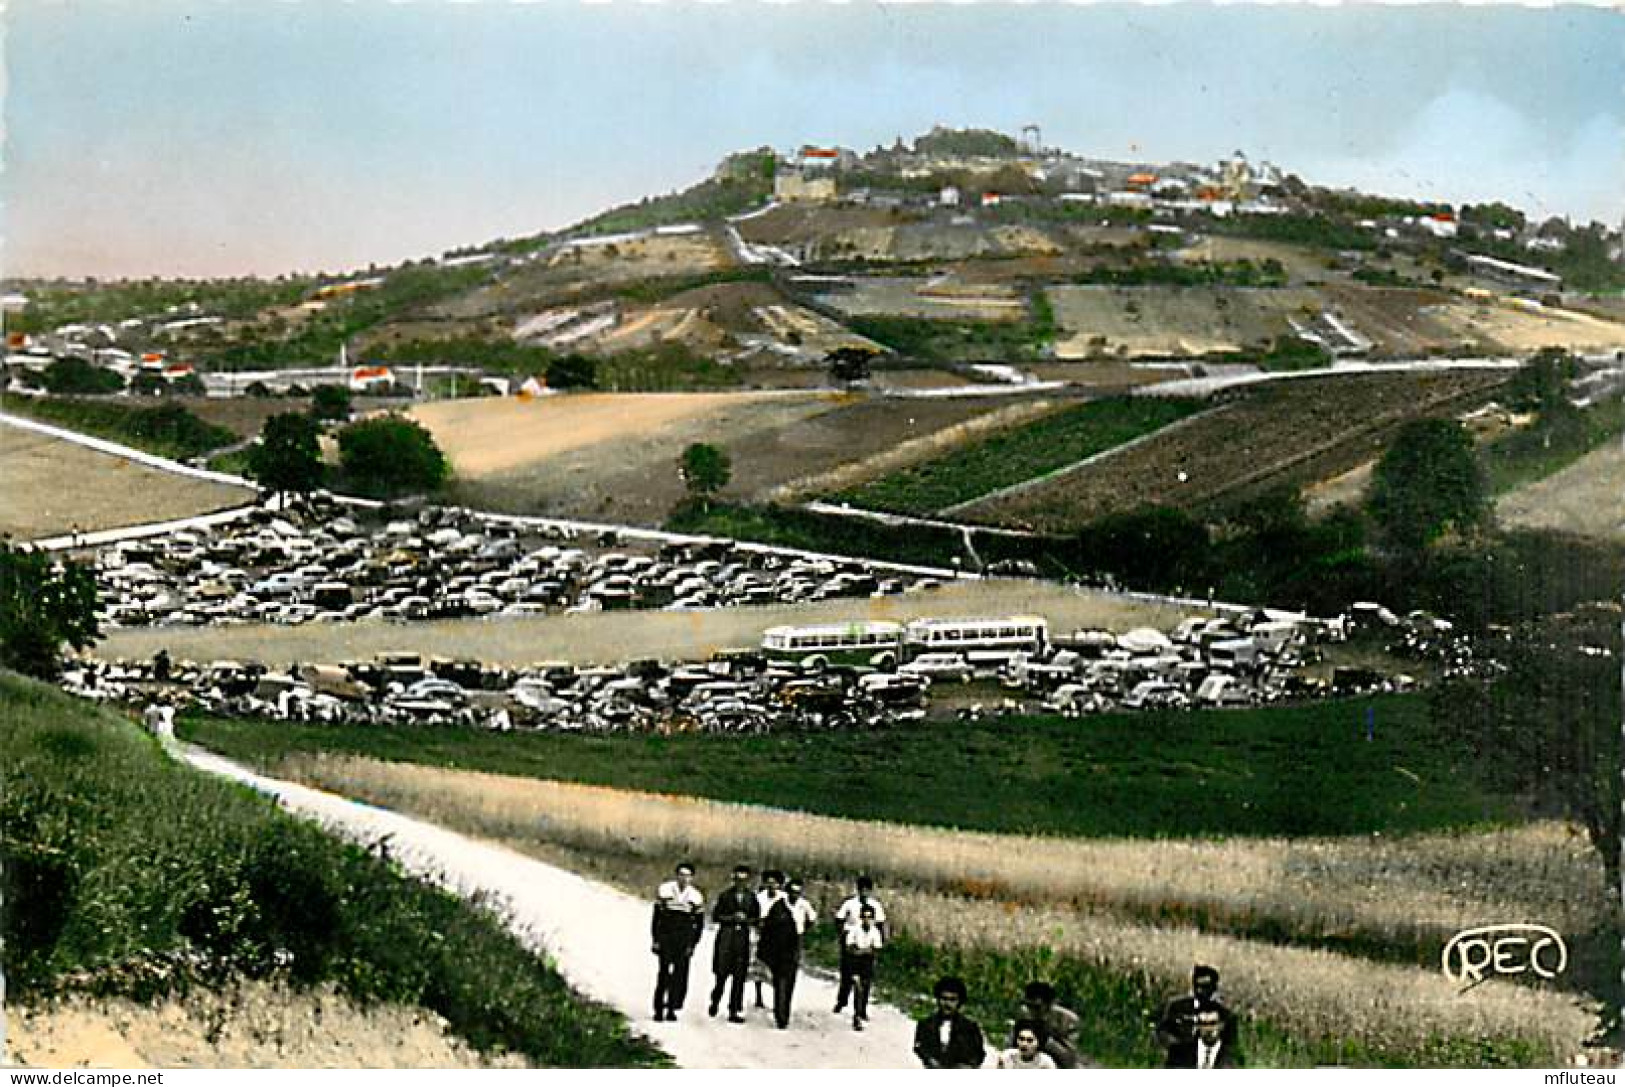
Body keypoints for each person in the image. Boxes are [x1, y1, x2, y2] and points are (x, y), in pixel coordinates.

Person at [757, 873, 815, 1029]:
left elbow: (811, 920)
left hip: (794, 945)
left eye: (798, 892)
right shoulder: (778, 906)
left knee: (790, 980)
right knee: (779, 980)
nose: (795, 895)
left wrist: (802, 933)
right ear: (787, 892)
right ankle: (780, 1015)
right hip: (779, 946)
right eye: (792, 892)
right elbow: (767, 928)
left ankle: (785, 1011)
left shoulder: (804, 905)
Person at [650, 862, 705, 1022]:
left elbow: (699, 924)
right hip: (667, 936)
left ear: (692, 878)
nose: (684, 878)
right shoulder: (665, 890)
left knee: (680, 975)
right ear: (676, 875)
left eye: (687, 876)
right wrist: (656, 940)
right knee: (664, 973)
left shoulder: (696, 896)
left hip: (684, 939)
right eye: (681, 874)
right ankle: (659, 1008)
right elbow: (657, 918)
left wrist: (692, 944)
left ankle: (672, 1008)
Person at [1156, 965, 1238, 1069]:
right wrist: (1174, 1048)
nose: (1199, 991)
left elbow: (1231, 1045)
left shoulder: (1225, 1015)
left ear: (1214, 988)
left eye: (1205, 987)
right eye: (1196, 986)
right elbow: (1163, 1031)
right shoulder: (1178, 1007)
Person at [708, 864, 761, 1023]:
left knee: (739, 976)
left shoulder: (752, 898)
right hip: (726, 937)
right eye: (738, 880)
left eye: (744, 880)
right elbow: (716, 916)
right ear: (733, 880)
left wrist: (746, 920)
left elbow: (756, 918)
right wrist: (732, 918)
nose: (740, 883)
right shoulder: (725, 896)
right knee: (721, 974)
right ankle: (715, 1000)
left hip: (742, 939)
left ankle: (734, 1009)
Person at [833, 875, 887, 1014]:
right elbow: (839, 919)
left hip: (868, 940)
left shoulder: (875, 905)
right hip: (851, 941)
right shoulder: (849, 903)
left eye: (867, 890)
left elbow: (880, 924)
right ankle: (842, 1000)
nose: (864, 893)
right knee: (847, 975)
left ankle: (862, 1008)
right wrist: (842, 936)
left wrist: (878, 943)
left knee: (866, 979)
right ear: (857, 890)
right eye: (861, 890)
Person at [913, 975, 986, 1068]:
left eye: (952, 1000)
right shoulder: (925, 1025)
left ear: (959, 1002)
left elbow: (978, 1055)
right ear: (938, 999)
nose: (947, 1004)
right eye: (944, 999)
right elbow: (919, 1048)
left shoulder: (970, 1028)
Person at [1013, 980, 1080, 1069]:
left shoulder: (1067, 1020)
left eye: (1037, 1007)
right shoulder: (1023, 1016)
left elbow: (1070, 1060)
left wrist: (1047, 1041)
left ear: (1049, 1005)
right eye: (1029, 1006)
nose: (1032, 1011)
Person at [842, 904, 883, 1032]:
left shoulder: (875, 932)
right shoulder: (854, 930)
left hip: (867, 963)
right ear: (861, 917)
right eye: (864, 917)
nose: (867, 920)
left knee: (865, 988)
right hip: (855, 962)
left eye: (870, 917)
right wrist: (863, 951)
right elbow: (849, 948)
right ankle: (857, 1016)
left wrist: (864, 951)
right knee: (858, 987)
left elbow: (876, 949)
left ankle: (861, 1010)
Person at [751, 870, 786, 1010]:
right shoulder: (759, 898)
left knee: (777, 968)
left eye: (775, 883)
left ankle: (778, 998)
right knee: (758, 966)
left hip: (778, 936)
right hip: (761, 933)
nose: (772, 886)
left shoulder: (784, 898)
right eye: (769, 883)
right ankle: (758, 995)